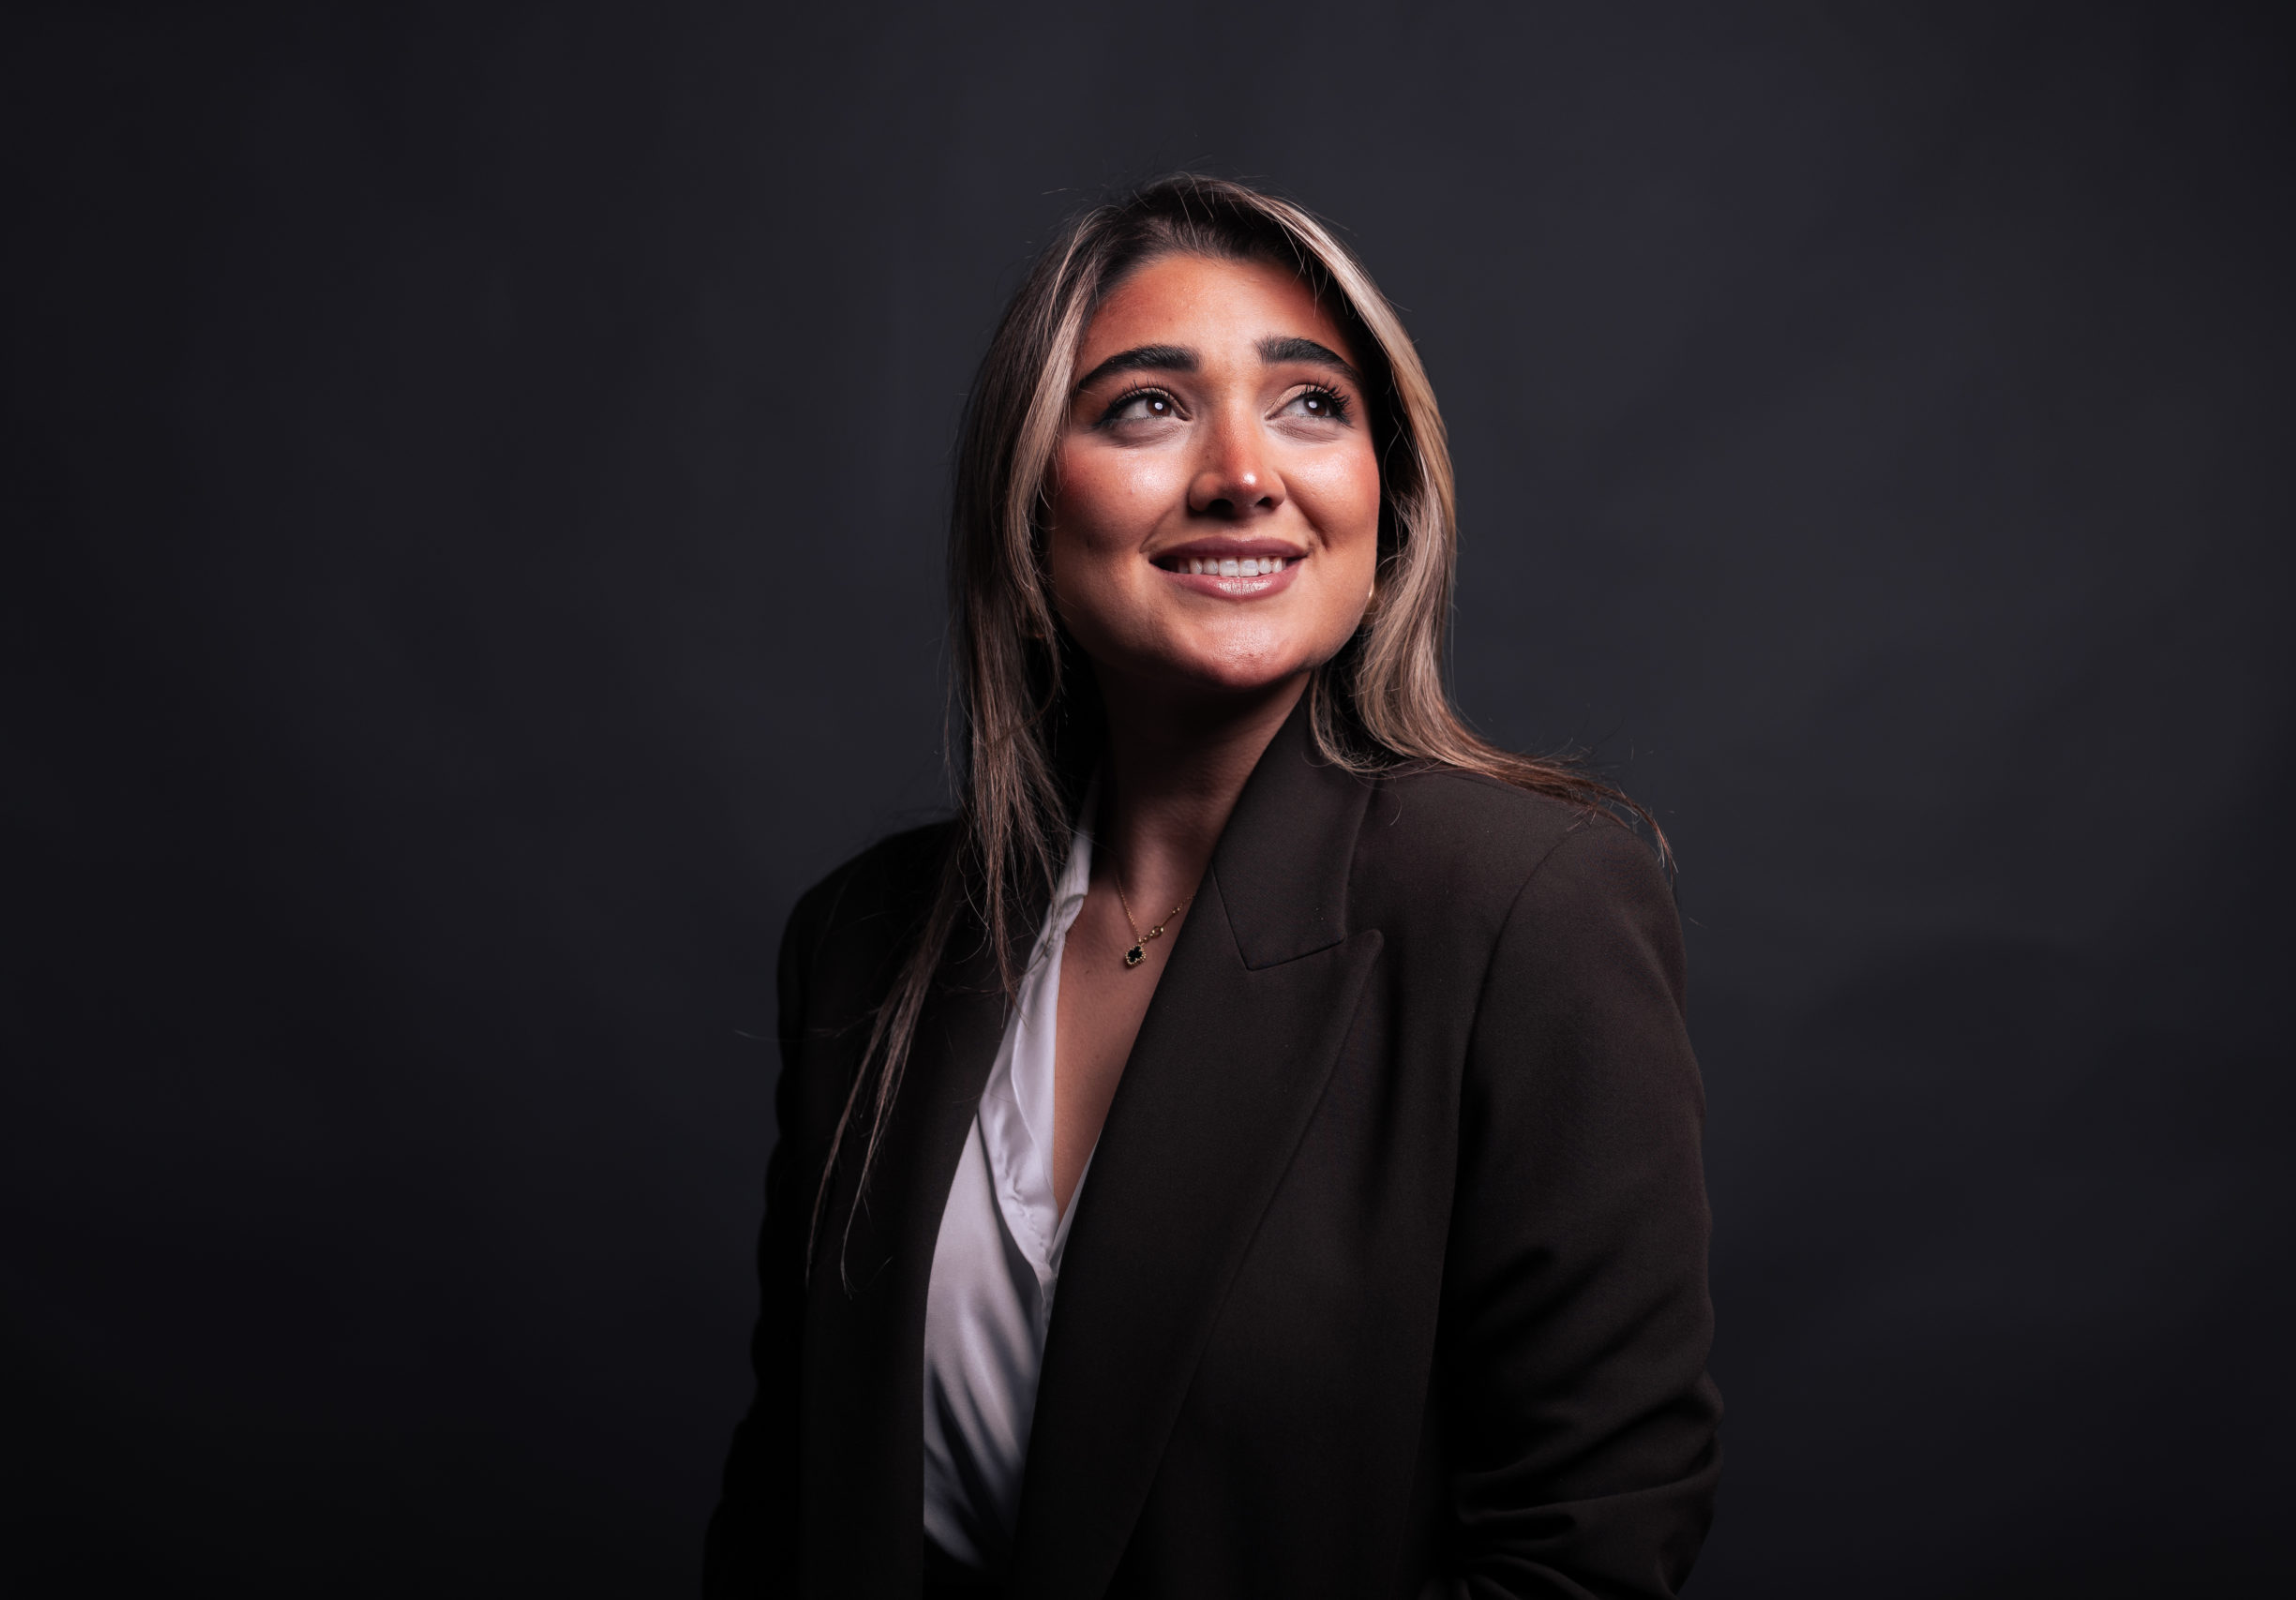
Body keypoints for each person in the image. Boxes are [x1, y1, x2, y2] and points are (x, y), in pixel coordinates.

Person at [704, 174, 1719, 1599]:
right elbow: (789, 1509)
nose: (1246, 470)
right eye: (1148, 406)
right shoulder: (866, 942)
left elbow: (1589, 1552)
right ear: (1028, 496)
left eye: (1312, 404)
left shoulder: (1530, 910)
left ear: (1389, 500)